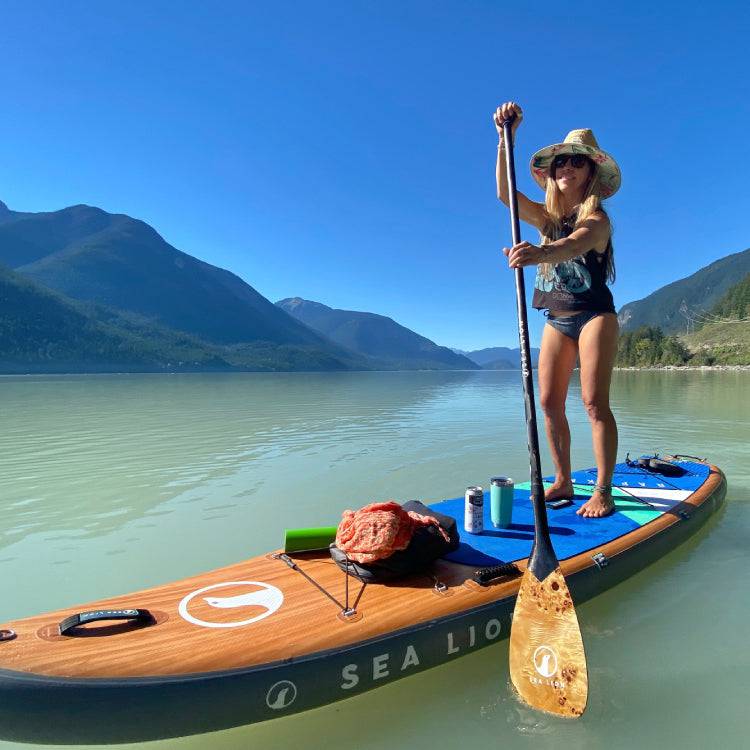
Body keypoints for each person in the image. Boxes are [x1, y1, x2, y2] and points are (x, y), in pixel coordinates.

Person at [493, 101, 621, 518]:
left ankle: (603, 490)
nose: (566, 167)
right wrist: (504, 140)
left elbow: (574, 244)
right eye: (561, 162)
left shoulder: (597, 219)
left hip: (594, 317)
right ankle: (563, 480)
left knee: (593, 403)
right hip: (556, 319)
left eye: (576, 163)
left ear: (590, 174)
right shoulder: (546, 219)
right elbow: (504, 194)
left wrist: (539, 253)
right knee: (548, 402)